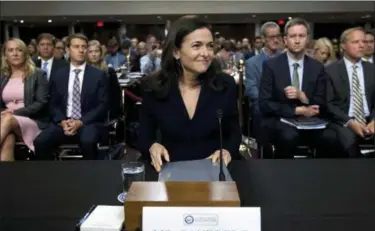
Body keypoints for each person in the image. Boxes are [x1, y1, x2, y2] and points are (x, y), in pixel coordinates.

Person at [138, 16, 241, 172]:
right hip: (168, 169)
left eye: (210, 46)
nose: (206, 53)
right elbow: (144, 134)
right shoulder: (153, 86)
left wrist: (226, 150)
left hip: (213, 169)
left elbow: (234, 132)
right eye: (197, 46)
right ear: (176, 52)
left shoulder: (225, 84)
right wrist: (152, 146)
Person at [258, 18, 337, 158]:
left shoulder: (317, 67)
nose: (297, 40)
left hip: (311, 121)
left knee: (330, 137)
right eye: (292, 36)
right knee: (289, 137)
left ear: (308, 39)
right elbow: (265, 103)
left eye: (301, 36)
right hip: (280, 119)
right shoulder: (271, 66)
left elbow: (322, 102)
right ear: (285, 40)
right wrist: (296, 110)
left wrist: (303, 97)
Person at [34, 34, 109, 160]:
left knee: (88, 142)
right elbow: (53, 103)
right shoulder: (58, 75)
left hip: (87, 122)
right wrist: (62, 121)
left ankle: (90, 176)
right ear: (68, 50)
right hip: (63, 122)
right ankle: (48, 177)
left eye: (84, 47)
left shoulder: (98, 75)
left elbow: (102, 105)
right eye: (76, 47)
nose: (81, 50)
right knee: (40, 142)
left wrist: (80, 122)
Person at [325, 27, 375, 157]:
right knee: (347, 139)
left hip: (370, 119)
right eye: (356, 42)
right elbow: (329, 104)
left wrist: (374, 121)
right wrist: (350, 122)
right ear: (343, 46)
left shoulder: (372, 69)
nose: (361, 45)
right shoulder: (330, 71)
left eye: (363, 42)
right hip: (344, 121)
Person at [0, 38, 49, 161]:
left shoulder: (38, 74)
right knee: (8, 140)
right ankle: (7, 179)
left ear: (25, 54)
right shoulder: (2, 76)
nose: (15, 53)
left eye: (19, 50)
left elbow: (41, 102)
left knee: (8, 119)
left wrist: (14, 113)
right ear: (5, 55)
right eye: (11, 50)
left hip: (31, 120)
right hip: (5, 121)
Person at [87, 40, 122, 119]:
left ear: (101, 53)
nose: (94, 54)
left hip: (107, 113)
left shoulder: (109, 72)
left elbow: (116, 96)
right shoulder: (83, 72)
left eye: (96, 51)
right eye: (90, 52)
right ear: (86, 54)